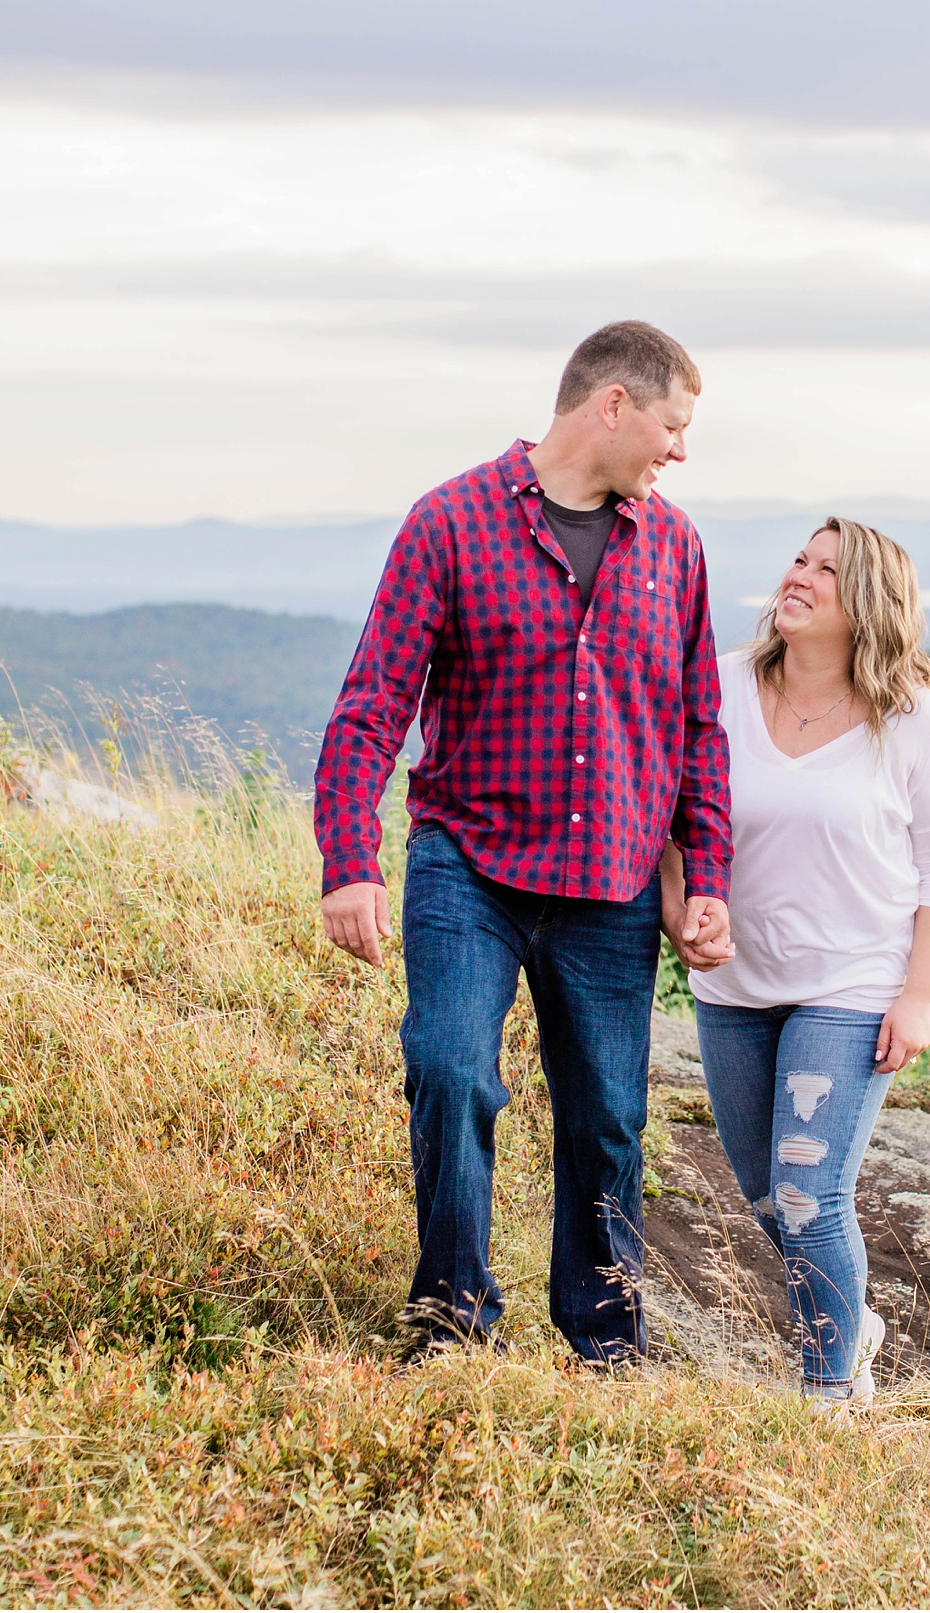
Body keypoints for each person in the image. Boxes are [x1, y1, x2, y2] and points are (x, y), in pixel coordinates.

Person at [314, 320, 733, 1363]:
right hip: (472, 867)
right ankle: (452, 1323)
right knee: (451, 1071)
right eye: (673, 426)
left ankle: (606, 1342)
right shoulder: (449, 524)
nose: (679, 451)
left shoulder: (674, 548)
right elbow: (372, 706)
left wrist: (705, 875)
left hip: (613, 882)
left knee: (607, 1122)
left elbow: (696, 730)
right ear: (614, 406)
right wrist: (348, 864)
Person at [660, 517, 930, 1408]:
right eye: (800, 559)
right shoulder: (717, 688)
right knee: (767, 1200)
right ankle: (857, 1323)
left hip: (851, 984)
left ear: (869, 603)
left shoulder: (911, 723)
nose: (799, 576)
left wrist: (920, 996)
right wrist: (678, 910)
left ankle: (827, 1393)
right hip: (734, 984)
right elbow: (669, 821)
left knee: (808, 1196)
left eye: (827, 571)